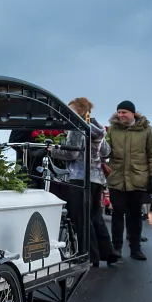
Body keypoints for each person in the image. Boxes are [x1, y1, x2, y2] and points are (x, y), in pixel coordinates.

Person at [52, 98, 118, 267]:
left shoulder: (77, 127)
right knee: (95, 216)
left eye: (71, 110)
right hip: (97, 179)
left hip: (79, 177)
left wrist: (52, 150)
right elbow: (106, 151)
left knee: (81, 217)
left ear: (79, 110)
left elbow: (71, 154)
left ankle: (88, 256)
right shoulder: (98, 128)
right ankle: (108, 253)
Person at [105, 100, 152, 261]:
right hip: (117, 179)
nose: (121, 115)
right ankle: (116, 248)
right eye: (119, 112)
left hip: (138, 178)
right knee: (117, 213)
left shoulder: (146, 130)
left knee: (135, 216)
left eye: (124, 112)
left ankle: (135, 249)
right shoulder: (113, 130)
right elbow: (105, 151)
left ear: (133, 113)